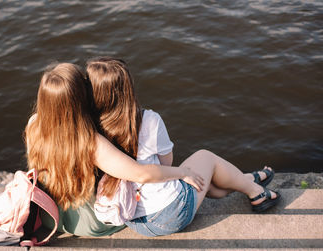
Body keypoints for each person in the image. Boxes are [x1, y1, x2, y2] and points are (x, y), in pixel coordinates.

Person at [85, 57, 281, 237]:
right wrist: (182, 172)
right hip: (170, 213)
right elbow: (166, 162)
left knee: (209, 185)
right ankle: (257, 193)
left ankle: (247, 179)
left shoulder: (89, 129)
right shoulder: (148, 120)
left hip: (132, 217)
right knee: (206, 157)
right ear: (127, 88)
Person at [24, 62, 205, 237]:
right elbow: (141, 174)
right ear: (79, 99)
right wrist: (181, 172)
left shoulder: (33, 125)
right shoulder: (90, 141)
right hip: (89, 224)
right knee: (202, 167)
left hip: (50, 217)